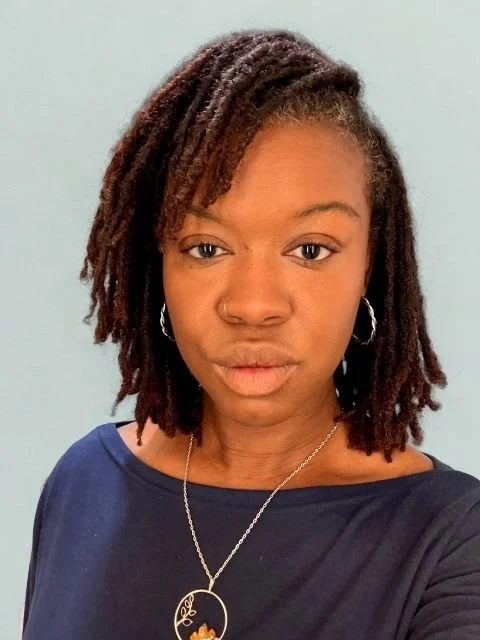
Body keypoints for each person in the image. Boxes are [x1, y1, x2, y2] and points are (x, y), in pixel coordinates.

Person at [21, 28, 480, 640]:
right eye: (206, 248)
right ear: (159, 263)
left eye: (311, 249)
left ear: (368, 265)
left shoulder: (449, 539)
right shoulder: (84, 482)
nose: (253, 306)